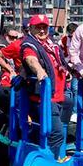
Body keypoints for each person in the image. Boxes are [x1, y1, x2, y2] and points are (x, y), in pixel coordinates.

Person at [20, 14, 66, 156]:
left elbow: (60, 63)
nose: (41, 31)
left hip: (59, 95)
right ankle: (49, 165)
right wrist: (39, 71)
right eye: (38, 28)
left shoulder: (51, 45)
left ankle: (52, 156)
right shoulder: (29, 44)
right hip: (45, 97)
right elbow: (30, 59)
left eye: (44, 27)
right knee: (56, 133)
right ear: (31, 29)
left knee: (69, 107)